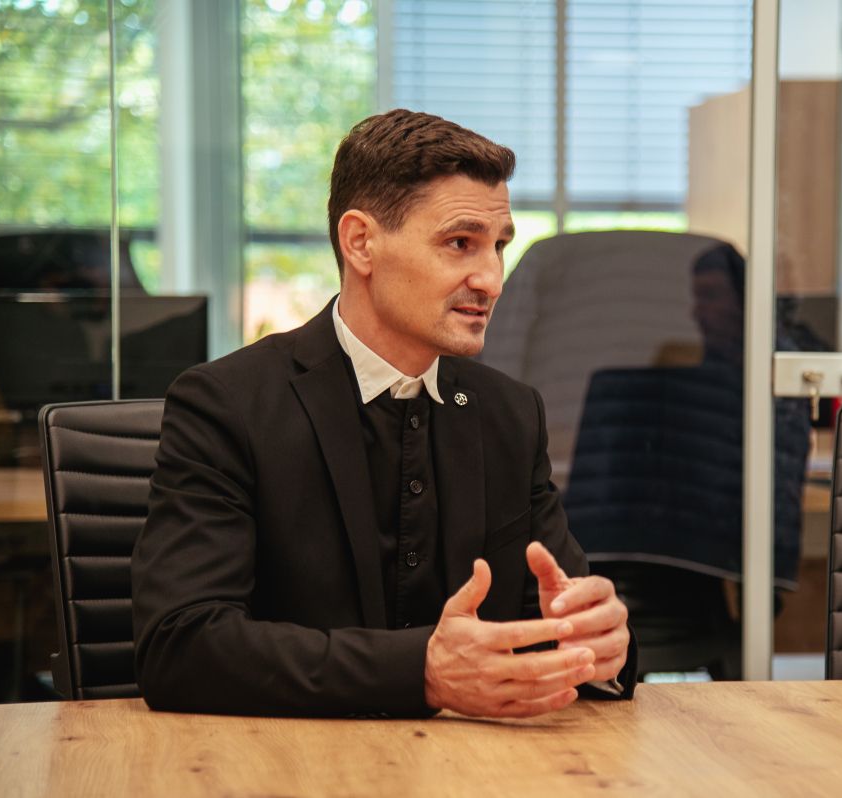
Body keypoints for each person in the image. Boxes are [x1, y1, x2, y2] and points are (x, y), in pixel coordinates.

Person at [132, 109, 636, 719]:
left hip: (477, 763)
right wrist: (421, 672)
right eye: (460, 243)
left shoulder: (509, 414)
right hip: (281, 760)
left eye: (499, 247)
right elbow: (180, 646)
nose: (491, 279)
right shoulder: (227, 405)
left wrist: (600, 646)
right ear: (361, 243)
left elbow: (559, 620)